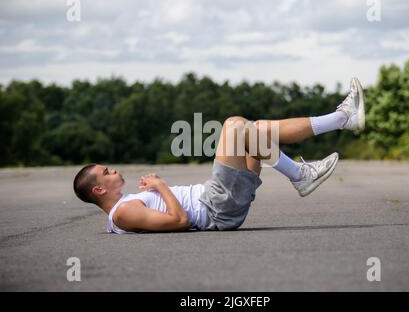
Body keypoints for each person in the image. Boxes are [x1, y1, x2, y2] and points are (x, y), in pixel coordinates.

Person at [73, 77, 365, 233]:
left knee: (256, 129)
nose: (112, 171)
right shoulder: (122, 213)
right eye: (106, 172)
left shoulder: (125, 207)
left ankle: (342, 119)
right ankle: (301, 175)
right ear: (98, 189)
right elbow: (179, 222)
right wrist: (161, 186)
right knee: (234, 125)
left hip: (218, 202)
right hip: (215, 207)